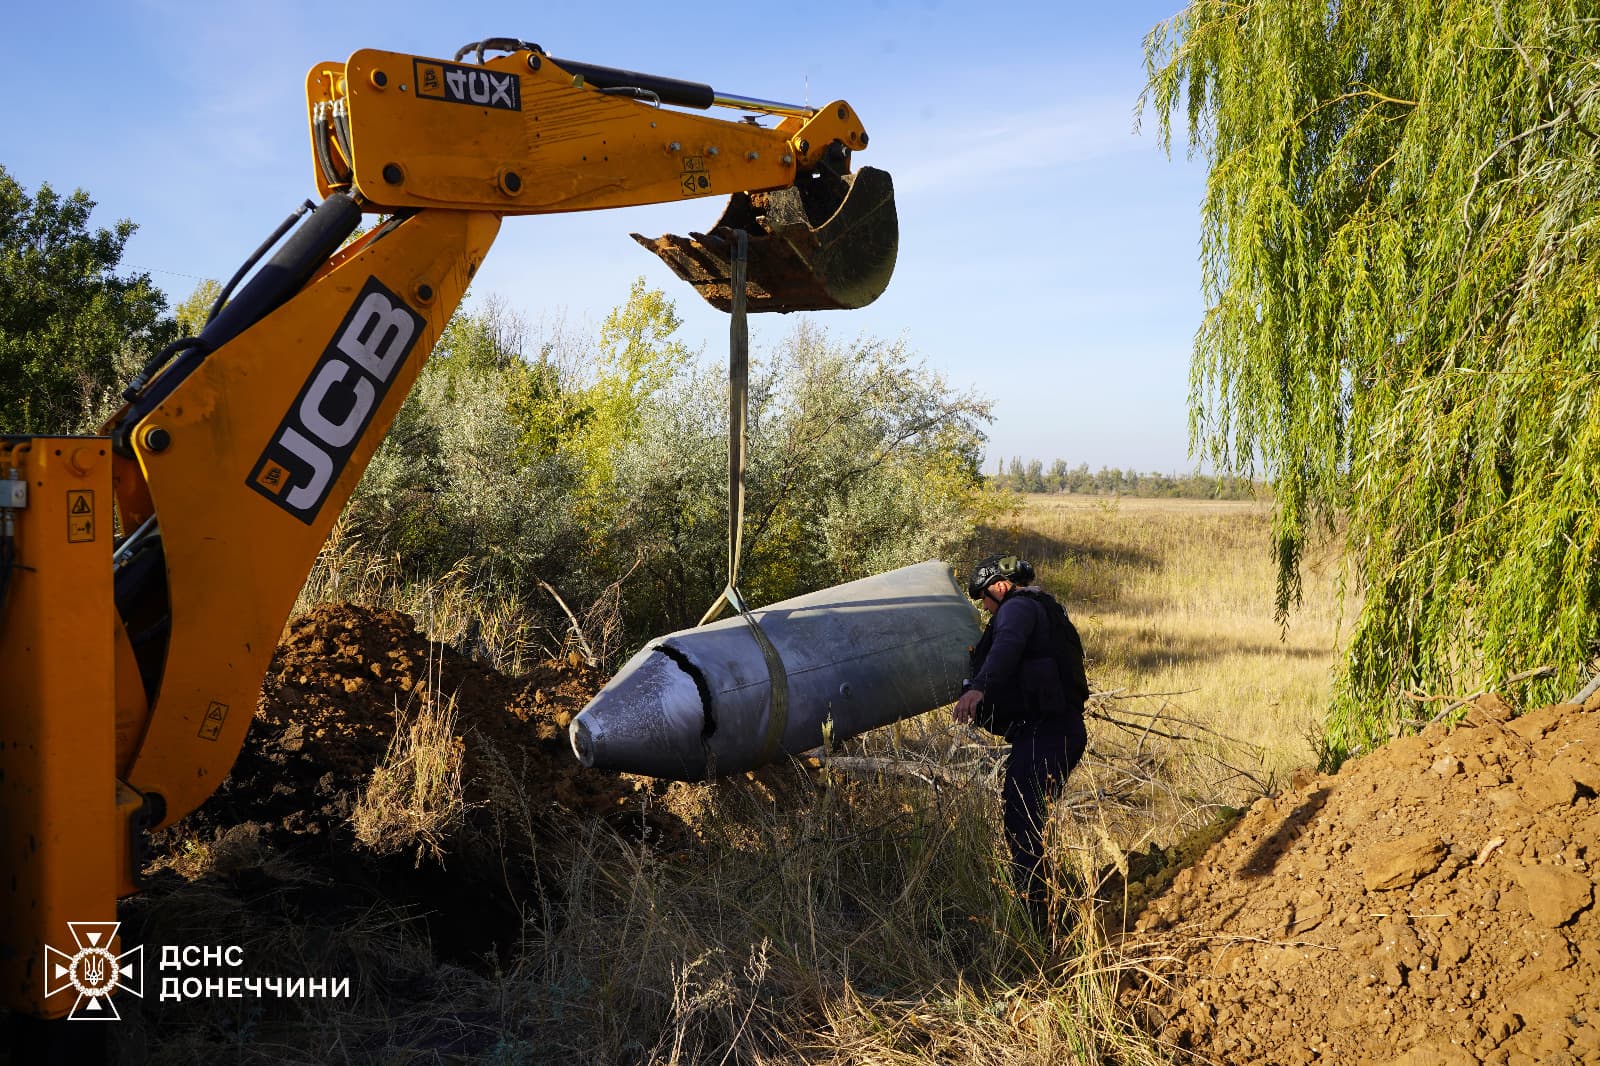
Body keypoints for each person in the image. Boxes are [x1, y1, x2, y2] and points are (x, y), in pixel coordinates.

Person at [954, 554, 1089, 926]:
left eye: (984, 599)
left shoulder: (1016, 609)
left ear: (999, 586)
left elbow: (1007, 645)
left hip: (1046, 732)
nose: (985, 608)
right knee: (1031, 820)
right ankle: (1050, 907)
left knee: (1023, 822)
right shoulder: (1045, 607)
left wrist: (978, 687)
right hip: (1056, 731)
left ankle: (1037, 919)